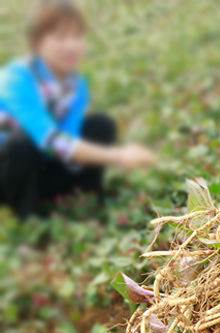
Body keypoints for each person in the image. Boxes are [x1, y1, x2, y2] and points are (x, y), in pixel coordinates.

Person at [0, 0, 157, 219]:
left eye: (77, 36)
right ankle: (29, 217)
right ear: (36, 42)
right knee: (20, 144)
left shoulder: (76, 85)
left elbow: (69, 140)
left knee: (100, 125)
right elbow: (51, 141)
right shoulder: (14, 79)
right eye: (60, 37)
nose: (71, 45)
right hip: (8, 173)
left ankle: (85, 198)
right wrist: (119, 156)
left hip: (42, 165)